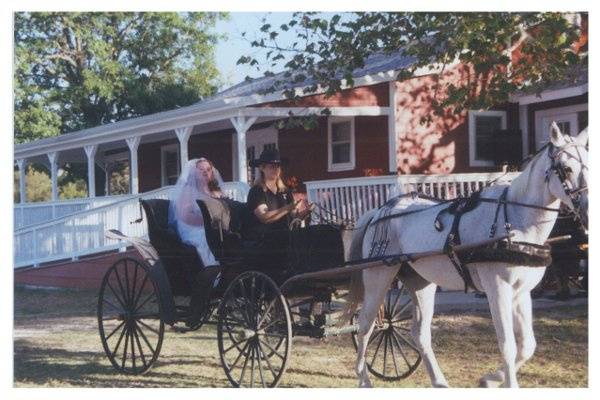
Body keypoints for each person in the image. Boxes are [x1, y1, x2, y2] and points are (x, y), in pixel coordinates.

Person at [168, 157, 223, 326]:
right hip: (191, 228)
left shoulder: (215, 191)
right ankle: (213, 277)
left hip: (212, 227)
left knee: (224, 239)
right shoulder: (188, 191)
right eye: (202, 170)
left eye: (208, 169)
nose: (206, 172)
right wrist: (207, 222)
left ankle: (226, 274)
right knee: (206, 240)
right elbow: (185, 216)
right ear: (194, 173)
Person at [245, 148, 311, 266]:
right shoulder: (257, 191)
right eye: (271, 166)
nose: (275, 169)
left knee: (311, 235)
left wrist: (305, 212)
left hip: (285, 236)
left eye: (278, 166)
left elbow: (294, 217)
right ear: (262, 168)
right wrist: (288, 207)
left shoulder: (285, 192)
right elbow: (264, 217)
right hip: (265, 240)